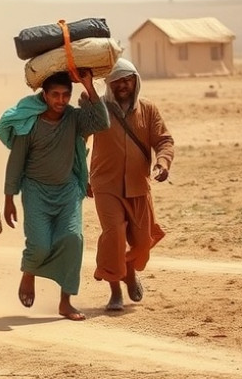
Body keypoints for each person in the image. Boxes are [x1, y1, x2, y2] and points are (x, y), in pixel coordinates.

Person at [0, 69, 109, 321]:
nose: (60, 101)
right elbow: (16, 161)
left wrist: (88, 86)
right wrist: (8, 198)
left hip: (68, 190)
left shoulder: (73, 118)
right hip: (36, 190)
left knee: (73, 239)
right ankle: (29, 273)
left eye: (65, 95)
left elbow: (102, 122)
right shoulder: (30, 123)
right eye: (54, 95)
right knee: (40, 244)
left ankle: (66, 301)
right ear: (43, 95)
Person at [89, 59, 174, 311]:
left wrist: (163, 163)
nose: (123, 84)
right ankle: (115, 291)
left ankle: (129, 271)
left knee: (143, 242)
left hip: (138, 184)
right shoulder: (98, 109)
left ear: (136, 80)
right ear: (108, 84)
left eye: (128, 79)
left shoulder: (148, 109)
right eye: (117, 80)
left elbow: (164, 140)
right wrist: (81, 173)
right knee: (113, 235)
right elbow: (78, 140)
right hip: (105, 184)